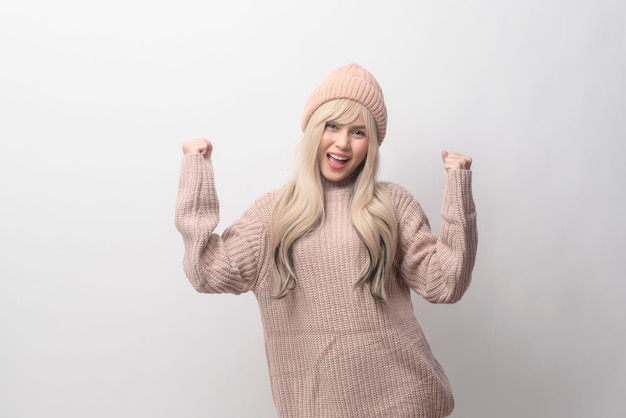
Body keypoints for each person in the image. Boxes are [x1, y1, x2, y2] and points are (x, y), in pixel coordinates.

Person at [175, 63, 477, 418]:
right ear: (313, 129)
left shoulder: (391, 205)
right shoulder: (272, 214)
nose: (343, 143)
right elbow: (206, 272)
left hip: (406, 403)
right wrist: (195, 169)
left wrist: (458, 188)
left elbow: (446, 284)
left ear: (372, 145)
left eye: (359, 131)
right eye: (331, 126)